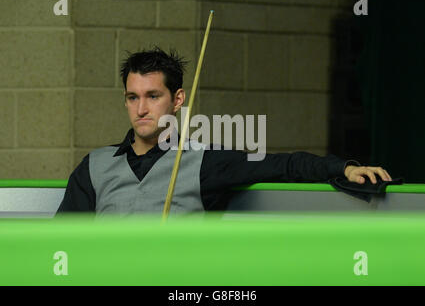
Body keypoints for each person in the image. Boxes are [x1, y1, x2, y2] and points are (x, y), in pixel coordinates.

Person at [58, 47, 392, 214]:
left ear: (177, 100)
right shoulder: (94, 165)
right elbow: (63, 243)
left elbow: (283, 165)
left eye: (152, 96)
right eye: (132, 97)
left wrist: (343, 168)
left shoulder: (206, 161)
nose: (141, 108)